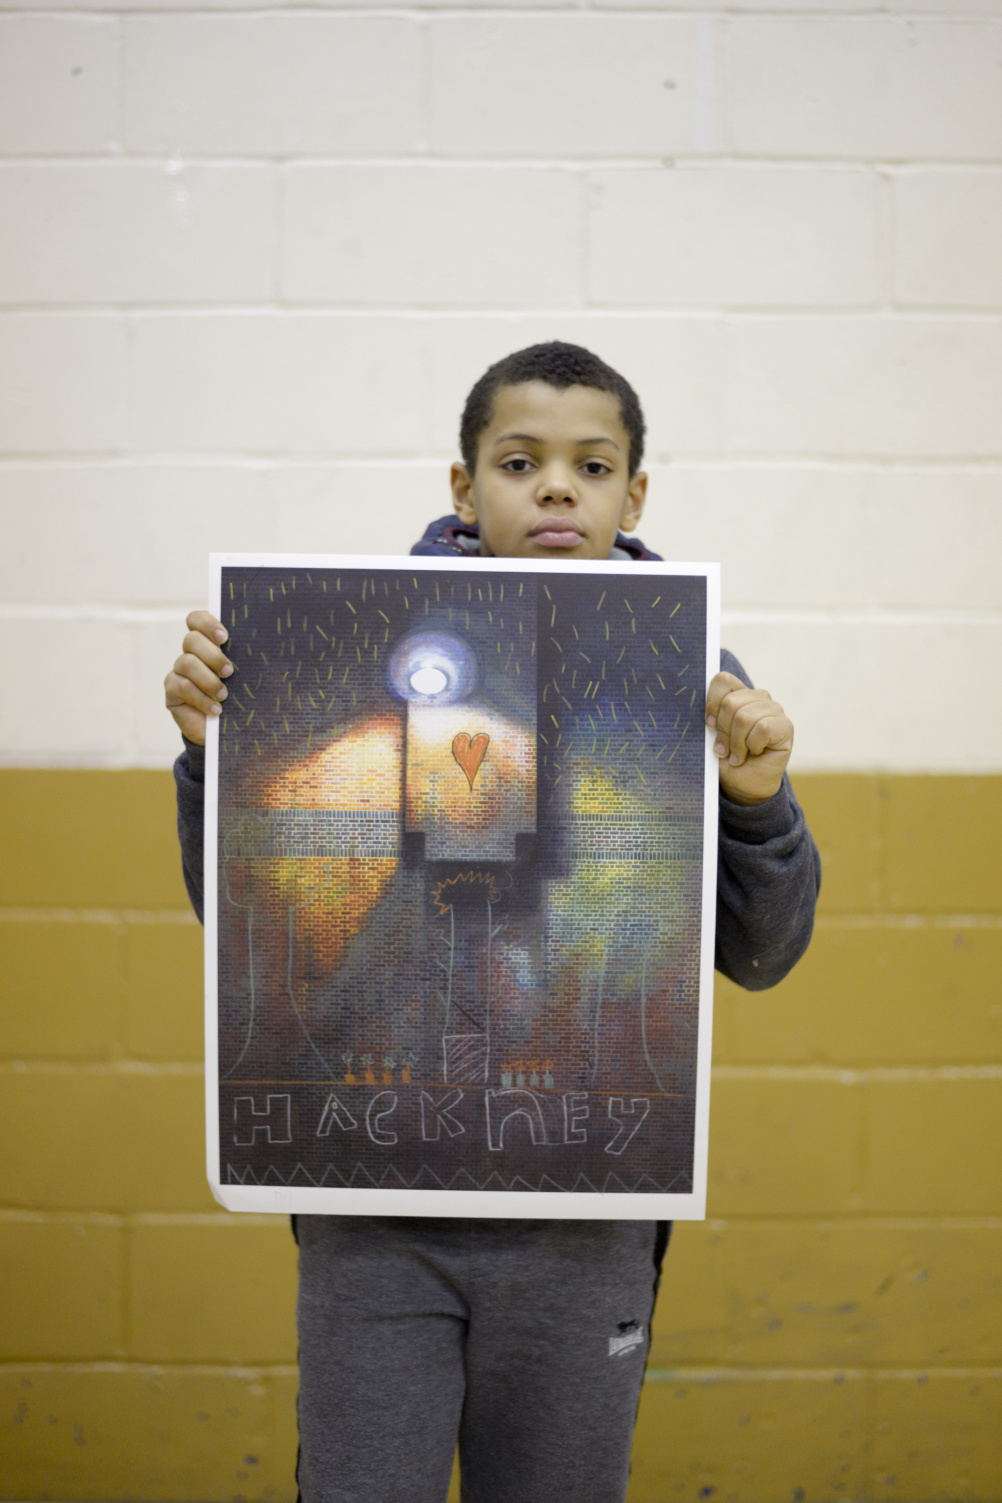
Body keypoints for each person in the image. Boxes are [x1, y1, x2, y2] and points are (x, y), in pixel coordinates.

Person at [165, 341, 821, 1503]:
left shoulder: (694, 683)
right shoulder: (338, 645)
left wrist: (758, 799)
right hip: (377, 1215)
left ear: (634, 493)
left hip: (586, 1214)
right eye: (521, 462)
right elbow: (245, 923)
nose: (558, 487)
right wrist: (212, 755)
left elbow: (760, 954)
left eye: (592, 464)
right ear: (464, 488)